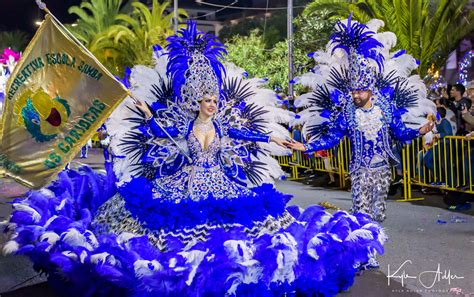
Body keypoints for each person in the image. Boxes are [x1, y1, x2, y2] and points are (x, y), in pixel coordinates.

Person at [3, 22, 387, 297]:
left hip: (222, 185)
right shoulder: (175, 123)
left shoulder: (223, 124)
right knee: (158, 232)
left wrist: (279, 139)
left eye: (215, 100)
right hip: (180, 185)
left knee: (249, 230)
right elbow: (152, 133)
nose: (212, 105)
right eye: (206, 101)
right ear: (195, 101)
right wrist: (146, 112)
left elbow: (247, 134)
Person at [288, 16, 434, 222]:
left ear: (370, 91)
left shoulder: (385, 108)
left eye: (360, 92)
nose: (356, 95)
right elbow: (332, 138)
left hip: (382, 170)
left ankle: (373, 246)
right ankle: (365, 252)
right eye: (354, 91)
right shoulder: (347, 112)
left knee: (378, 215)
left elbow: (400, 132)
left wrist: (419, 131)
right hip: (359, 171)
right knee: (360, 215)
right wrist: (306, 147)